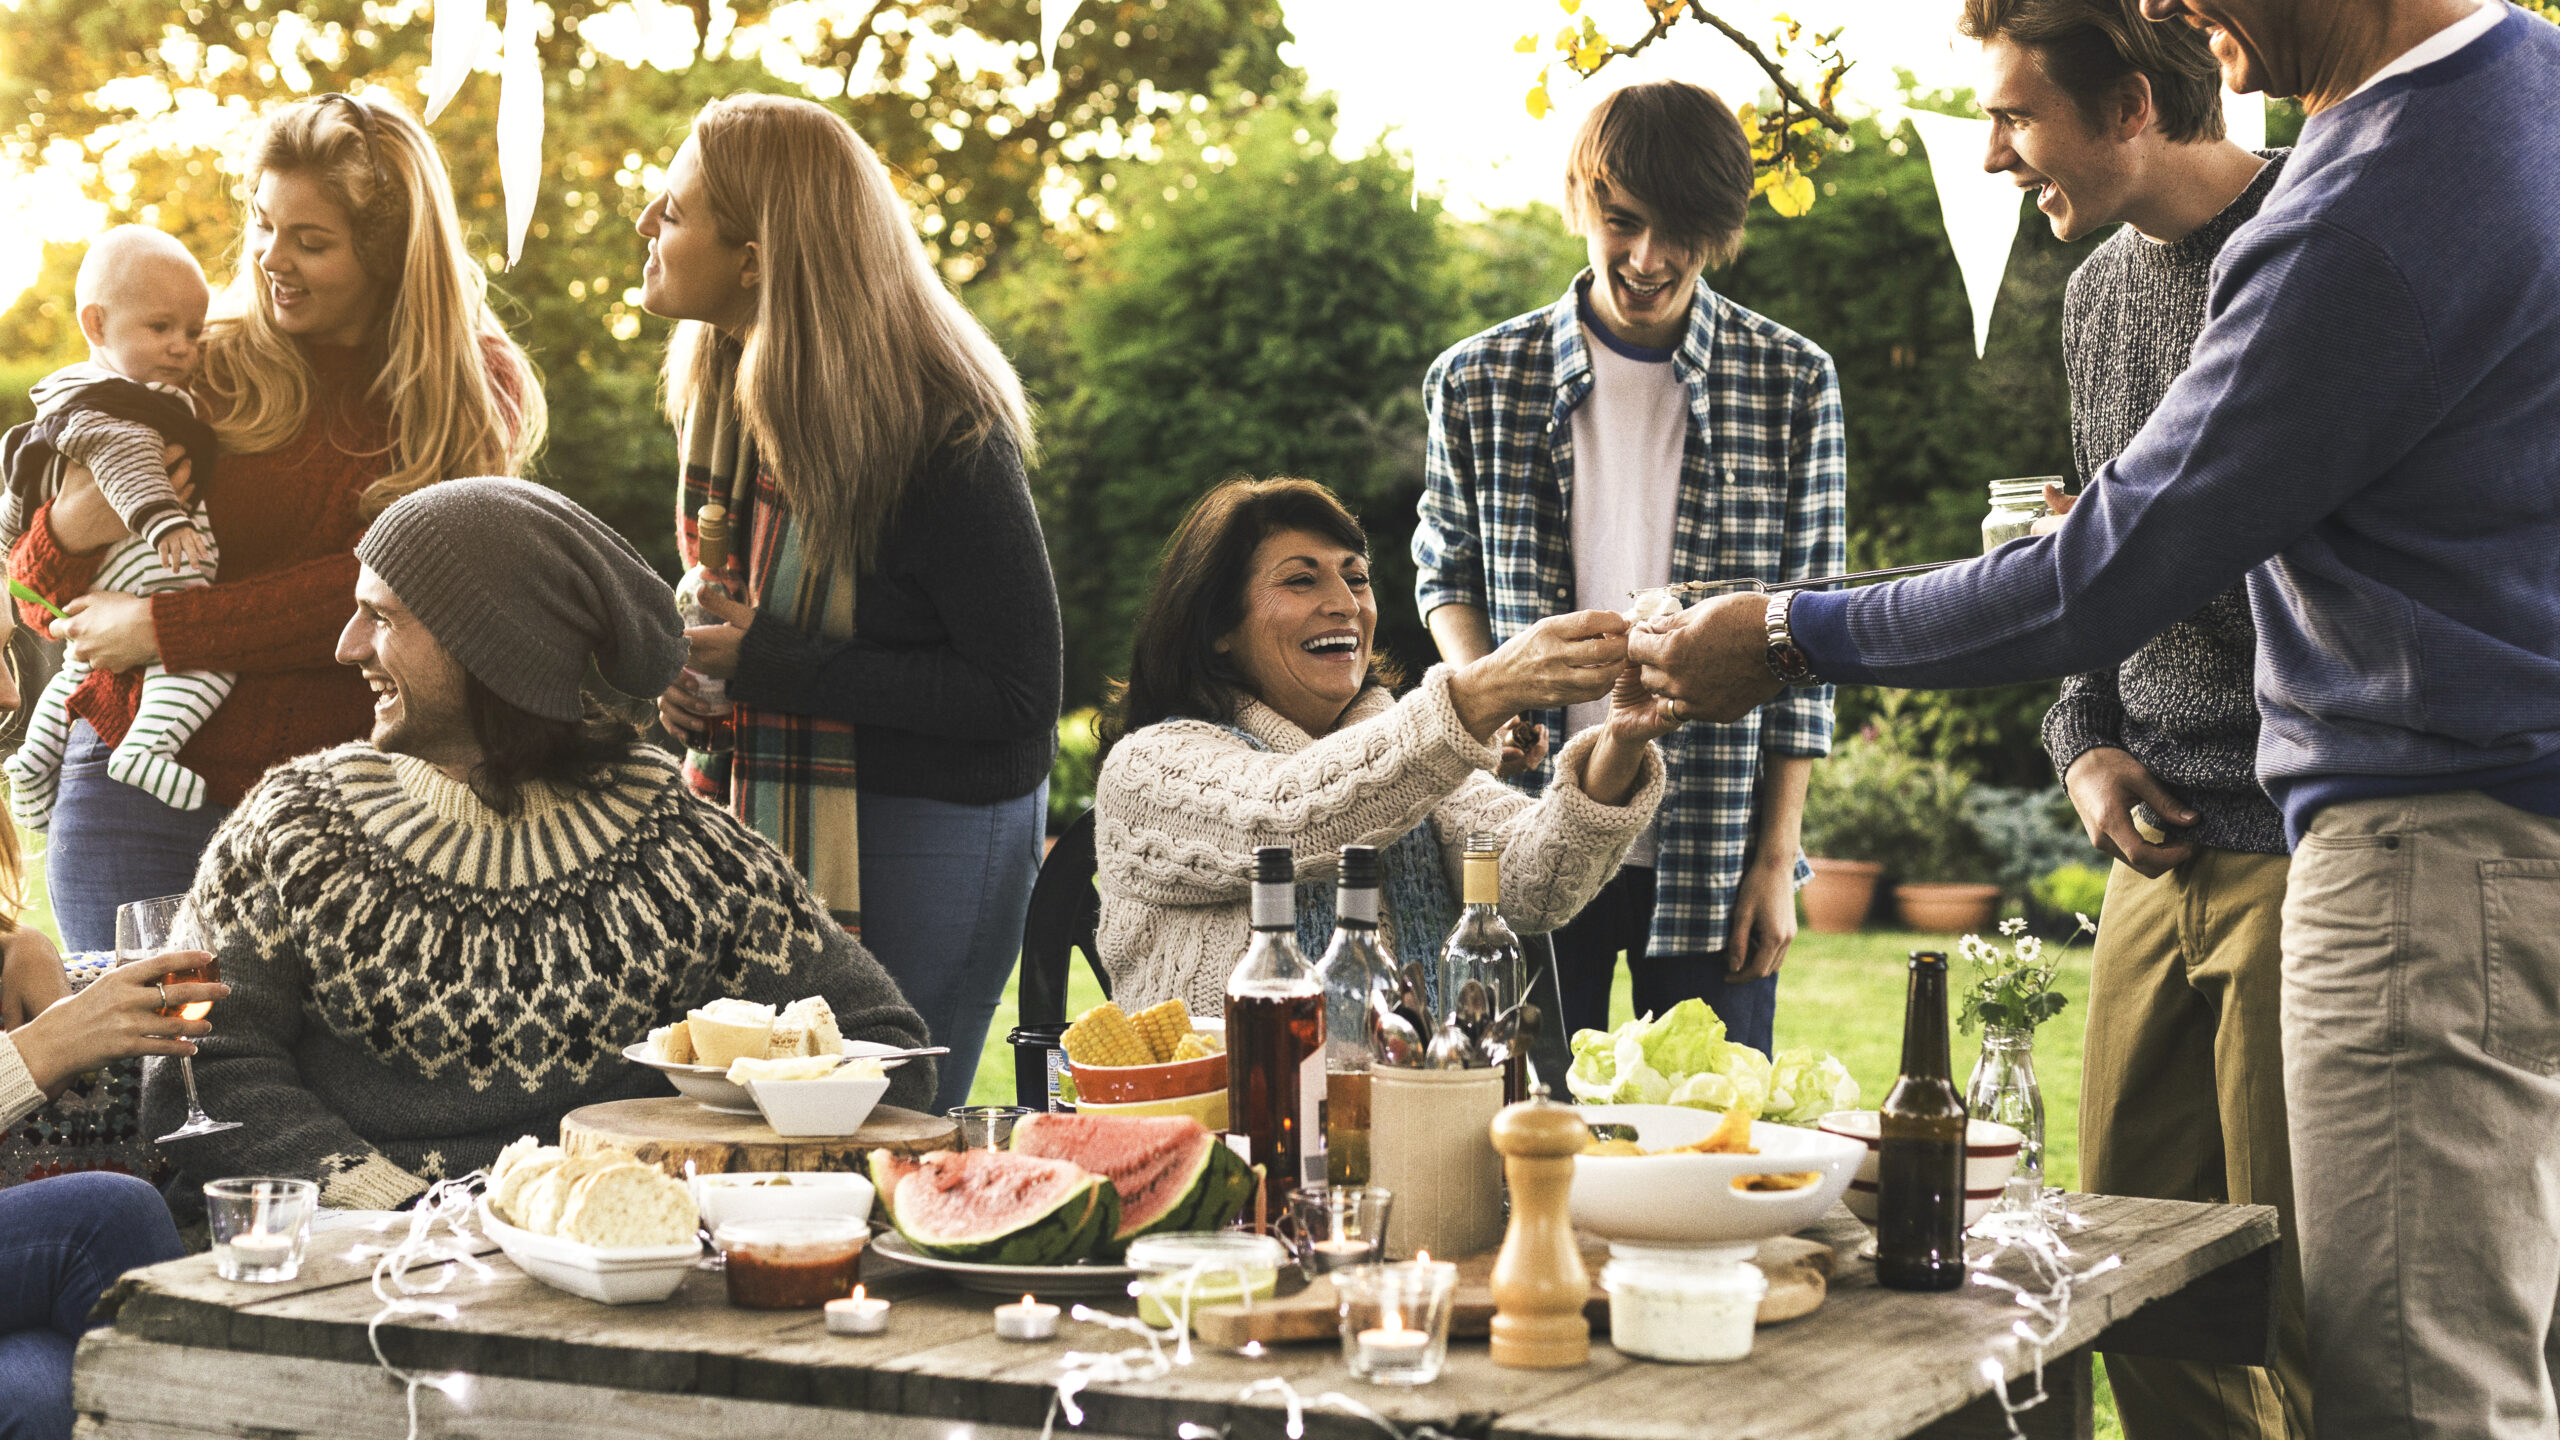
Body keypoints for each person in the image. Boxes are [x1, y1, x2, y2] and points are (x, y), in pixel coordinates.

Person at [1626, 3, 2560, 1433]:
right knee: (2207, 1305)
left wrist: (1784, 630)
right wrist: (2086, 727)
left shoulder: (2351, 213)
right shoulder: (2508, 98)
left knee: (2404, 1389)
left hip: (2415, 844)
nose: (2184, 8)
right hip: (2443, 822)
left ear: (2126, 106)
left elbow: (2103, 571)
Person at [139, 479, 935, 1210]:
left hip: (599, 1257)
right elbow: (195, 1072)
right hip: (345, 1258)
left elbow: (887, 1054)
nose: (347, 646)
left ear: (492, 646)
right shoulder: (289, 828)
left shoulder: (685, 850)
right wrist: (394, 1203)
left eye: (382, 617)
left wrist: (650, 1181)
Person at [1965, 3, 2310, 1435]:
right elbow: (2100, 553)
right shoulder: (2096, 292)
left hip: (2309, 847)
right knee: (2128, 1283)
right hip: (2151, 853)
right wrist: (2084, 739)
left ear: (2129, 107)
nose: (1993, 156)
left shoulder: (2311, 246)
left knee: (2310, 1296)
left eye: (2018, 116)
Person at [8, 93, 543, 953]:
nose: (268, 260)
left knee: (303, 1084)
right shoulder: (195, 362)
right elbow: (39, 603)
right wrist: (68, 530)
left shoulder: (468, 388)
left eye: (311, 240)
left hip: (343, 805)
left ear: (388, 253)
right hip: (130, 791)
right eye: (261, 223)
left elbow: (404, 588)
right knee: (131, 1078)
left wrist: (168, 628)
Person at [643, 94, 1059, 1116]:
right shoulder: (730, 406)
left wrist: (767, 662)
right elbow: (732, 613)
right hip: (762, 817)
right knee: (754, 1133)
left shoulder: (936, 430)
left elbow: (1017, 693)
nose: (647, 221)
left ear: (754, 258)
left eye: (676, 208)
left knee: (882, 1129)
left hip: (932, 826)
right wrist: (687, 679)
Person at [1411, 79, 1845, 1057]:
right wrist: (1491, 688)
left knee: (1703, 1152)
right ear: (1580, 198)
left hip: (1714, 841)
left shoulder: (1791, 381)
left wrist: (1777, 860)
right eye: (1622, 221)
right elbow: (1445, 573)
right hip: (1526, 829)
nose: (1649, 259)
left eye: (1680, 232)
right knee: (1517, 1142)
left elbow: (1808, 641)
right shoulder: (1478, 379)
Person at [1095, 477, 1672, 1022]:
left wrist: (1622, 740)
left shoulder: (1411, 754)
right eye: (1302, 579)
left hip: (1411, 1105)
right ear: (1218, 624)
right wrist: (1491, 687)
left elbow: (1532, 886)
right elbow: (1285, 818)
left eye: (1357, 578)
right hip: (1222, 1114)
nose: (1345, 602)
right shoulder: (1145, 768)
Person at [3, 226, 236, 826]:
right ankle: (145, 750)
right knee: (202, 669)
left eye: (193, 331)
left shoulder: (69, 404)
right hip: (152, 572)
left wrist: (12, 551)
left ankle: (33, 758)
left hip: (103, 598)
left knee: (77, 672)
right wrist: (161, 522)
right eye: (161, 328)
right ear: (96, 325)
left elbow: (18, 505)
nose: (184, 347)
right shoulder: (116, 407)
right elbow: (125, 455)